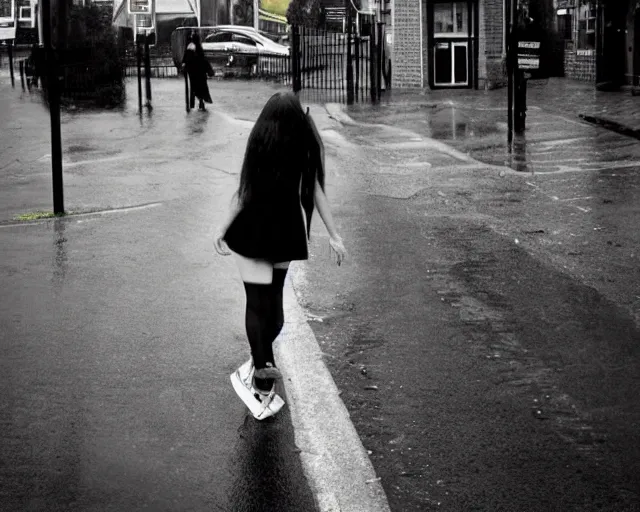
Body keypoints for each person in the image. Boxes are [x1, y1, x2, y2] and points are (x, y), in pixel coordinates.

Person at [214, 92, 347, 420]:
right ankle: (260, 373)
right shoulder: (283, 148)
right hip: (268, 236)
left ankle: (258, 365)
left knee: (267, 313)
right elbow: (248, 192)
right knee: (265, 311)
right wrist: (220, 231)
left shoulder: (279, 147)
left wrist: (335, 235)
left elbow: (310, 190)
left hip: (268, 235)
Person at [181, 31, 213, 111]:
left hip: (194, 72)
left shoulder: (190, 47)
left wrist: (185, 65)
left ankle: (198, 102)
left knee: (195, 88)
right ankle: (201, 101)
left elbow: (186, 58)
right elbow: (204, 60)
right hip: (200, 72)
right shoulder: (199, 48)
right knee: (202, 87)